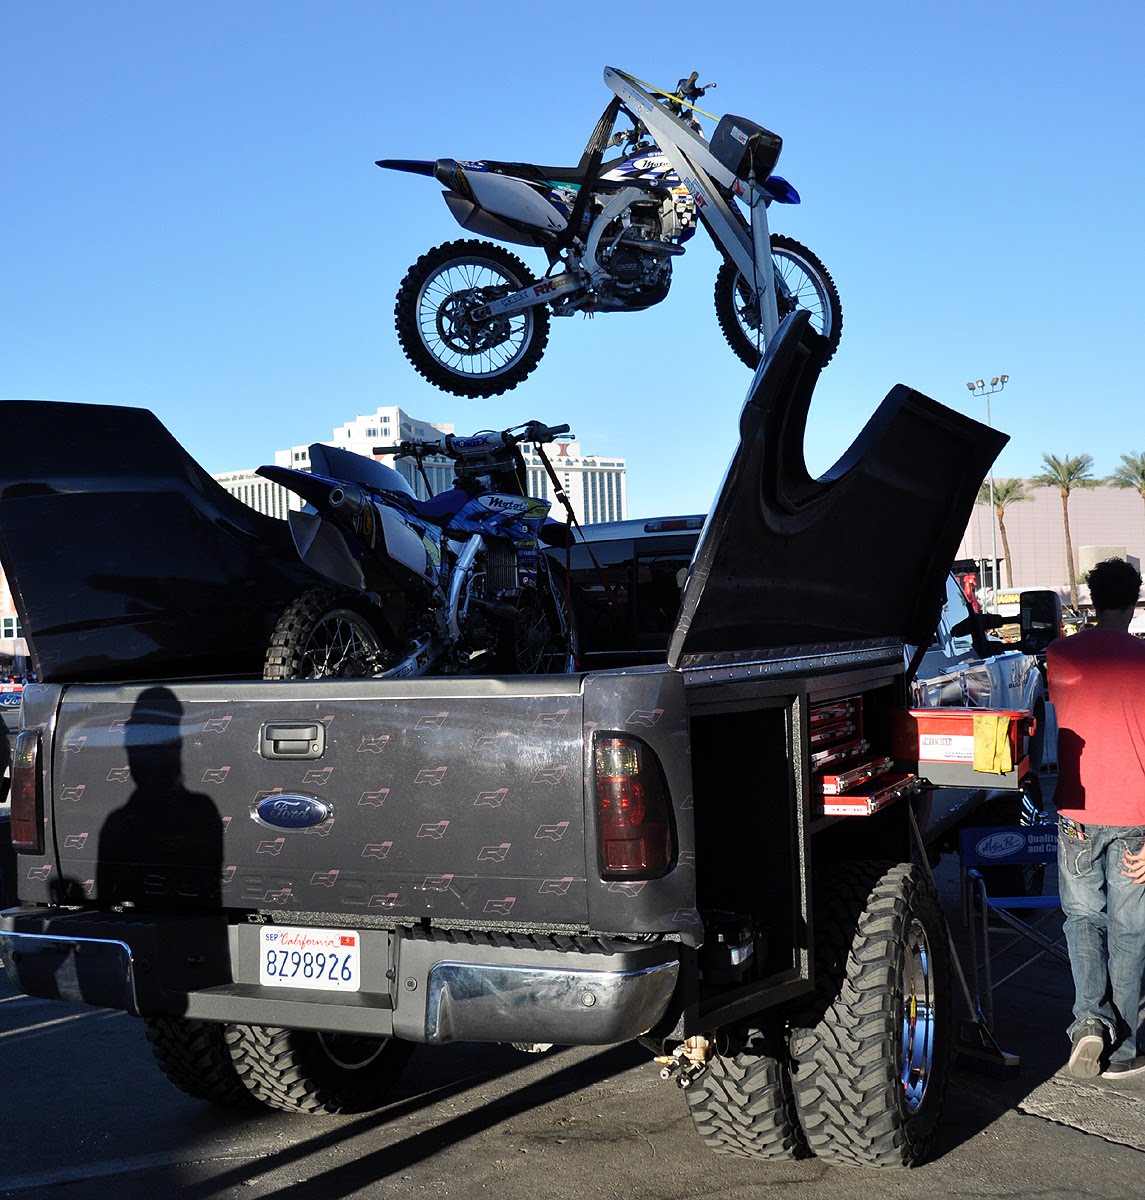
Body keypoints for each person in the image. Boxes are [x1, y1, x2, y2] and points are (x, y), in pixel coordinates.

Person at [1048, 557, 1145, 1079]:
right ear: (1135, 599)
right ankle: (1124, 1048)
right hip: (1137, 817)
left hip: (1077, 812)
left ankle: (1089, 1023)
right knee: (1130, 930)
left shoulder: (1059, 654)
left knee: (1083, 919)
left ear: (1091, 597)